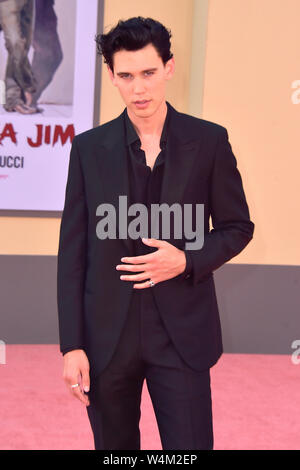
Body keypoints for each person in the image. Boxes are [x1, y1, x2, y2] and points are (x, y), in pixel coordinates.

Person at [57, 16, 255, 450]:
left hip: (181, 336)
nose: (139, 89)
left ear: (169, 67)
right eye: (126, 76)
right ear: (111, 76)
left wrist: (186, 259)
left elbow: (237, 227)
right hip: (106, 339)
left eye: (148, 73)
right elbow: (72, 253)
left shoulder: (209, 142)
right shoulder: (88, 150)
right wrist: (72, 345)